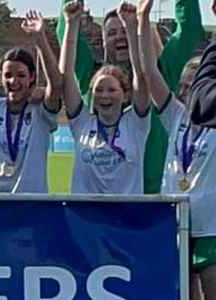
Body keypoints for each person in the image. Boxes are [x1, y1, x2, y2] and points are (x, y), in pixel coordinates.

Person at [56, 0, 205, 194]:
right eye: (111, 33)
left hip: (152, 198)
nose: (120, 37)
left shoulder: (161, 74)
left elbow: (189, 29)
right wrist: (71, 8)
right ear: (102, 42)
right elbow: (66, 39)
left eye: (124, 30)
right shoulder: (92, 78)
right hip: (94, 205)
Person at [148, 1, 216, 297]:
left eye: (194, 84)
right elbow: (149, 74)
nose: (189, 90)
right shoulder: (174, 114)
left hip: (211, 225)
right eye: (185, 85)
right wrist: (139, 23)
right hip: (175, 220)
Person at [61, 1, 150, 194]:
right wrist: (71, 25)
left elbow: (141, 75)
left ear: (126, 94)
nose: (104, 95)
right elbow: (66, 75)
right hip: (86, 220)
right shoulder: (82, 123)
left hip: (127, 221)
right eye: (99, 90)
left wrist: (132, 29)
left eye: (111, 89)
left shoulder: (136, 124)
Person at [0, 11, 62, 193]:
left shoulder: (41, 111)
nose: (13, 81)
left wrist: (40, 40)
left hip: (31, 207)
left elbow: (56, 84)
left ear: (32, 77)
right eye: (7, 75)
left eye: (21, 75)